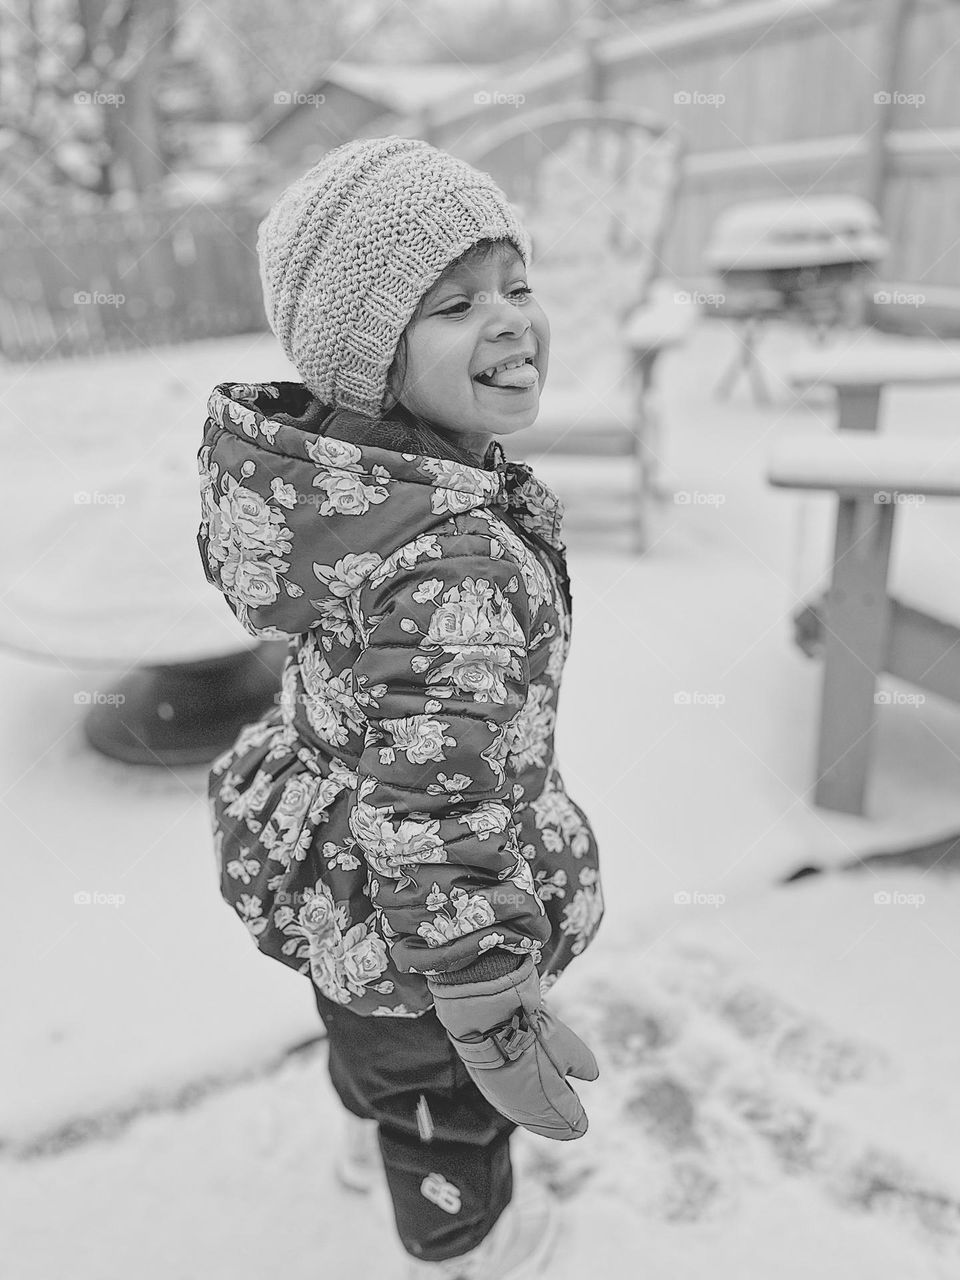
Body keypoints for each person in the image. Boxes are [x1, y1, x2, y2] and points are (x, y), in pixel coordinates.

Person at [197, 135, 605, 1278]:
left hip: (349, 886)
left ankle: (369, 1122)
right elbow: (435, 804)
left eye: (518, 284)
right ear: (370, 359)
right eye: (458, 304)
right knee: (444, 1088)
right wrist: (484, 994)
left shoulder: (350, 495)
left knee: (371, 1035)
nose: (514, 318)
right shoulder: (451, 559)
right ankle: (461, 1238)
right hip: (423, 915)